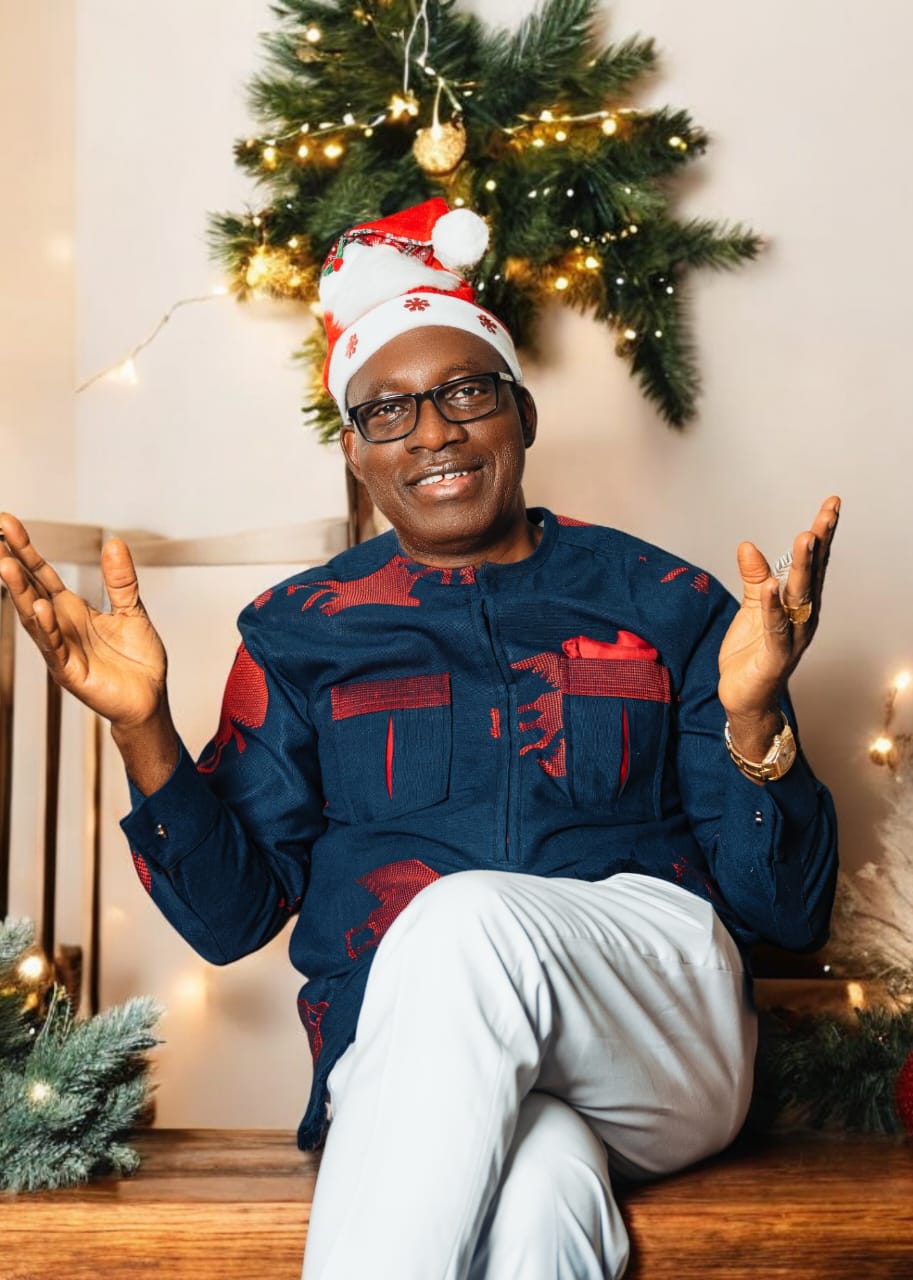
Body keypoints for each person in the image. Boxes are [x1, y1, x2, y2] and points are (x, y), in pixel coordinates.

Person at [0, 197, 839, 1279]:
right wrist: (143, 728)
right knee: (536, 1206)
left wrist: (754, 714)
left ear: (521, 413)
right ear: (355, 451)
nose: (432, 431)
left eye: (464, 393)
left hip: (658, 1033)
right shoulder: (299, 630)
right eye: (388, 411)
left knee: (462, 919)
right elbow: (230, 919)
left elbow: (785, 911)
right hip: (410, 1063)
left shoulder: (668, 601)